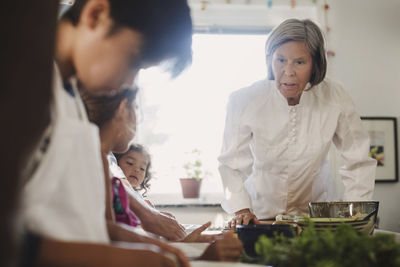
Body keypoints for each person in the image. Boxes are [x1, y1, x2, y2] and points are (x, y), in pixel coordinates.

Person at [20, 0, 194, 266]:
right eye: (133, 62)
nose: (129, 83)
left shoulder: (70, 100)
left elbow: (88, 225)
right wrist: (119, 257)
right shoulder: (22, 81)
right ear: (97, 13)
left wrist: (156, 251)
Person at [218, 19, 377, 229]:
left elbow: (358, 161)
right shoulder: (245, 100)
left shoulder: (335, 96)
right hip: (259, 215)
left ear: (315, 64)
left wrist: (357, 217)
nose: (288, 71)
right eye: (280, 60)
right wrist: (241, 209)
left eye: (299, 62)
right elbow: (231, 165)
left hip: (317, 217)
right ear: (269, 59)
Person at [81, 85, 243, 260]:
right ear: (123, 110)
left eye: (142, 167)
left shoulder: (103, 163)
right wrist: (190, 255)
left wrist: (179, 247)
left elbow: (112, 232)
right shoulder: (94, 165)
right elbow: (109, 239)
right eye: (136, 109)